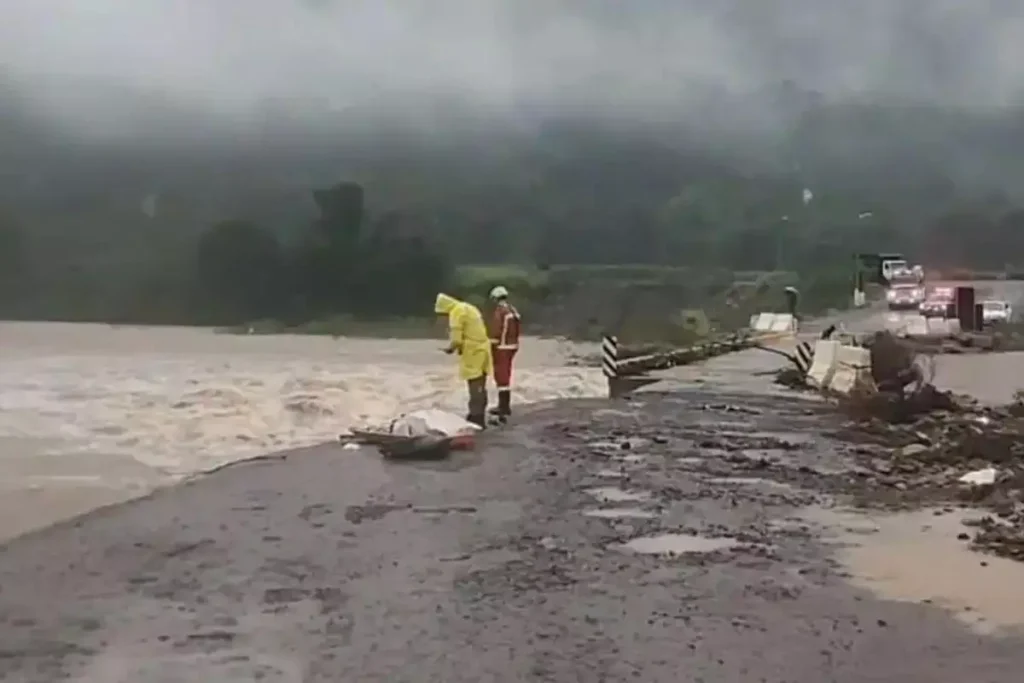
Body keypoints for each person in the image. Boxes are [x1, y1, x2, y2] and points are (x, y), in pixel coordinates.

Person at [434, 293, 493, 428]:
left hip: (473, 352)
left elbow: (456, 339)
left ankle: (475, 418)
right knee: (481, 385)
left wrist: (450, 349)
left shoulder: (456, 312)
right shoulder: (468, 307)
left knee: (474, 385)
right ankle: (480, 415)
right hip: (484, 349)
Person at [487, 285, 521, 422]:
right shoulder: (513, 310)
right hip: (513, 346)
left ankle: (504, 407)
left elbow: (496, 330)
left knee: (501, 375)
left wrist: (490, 344)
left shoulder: (500, 311)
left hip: (502, 347)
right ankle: (504, 405)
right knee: (506, 373)